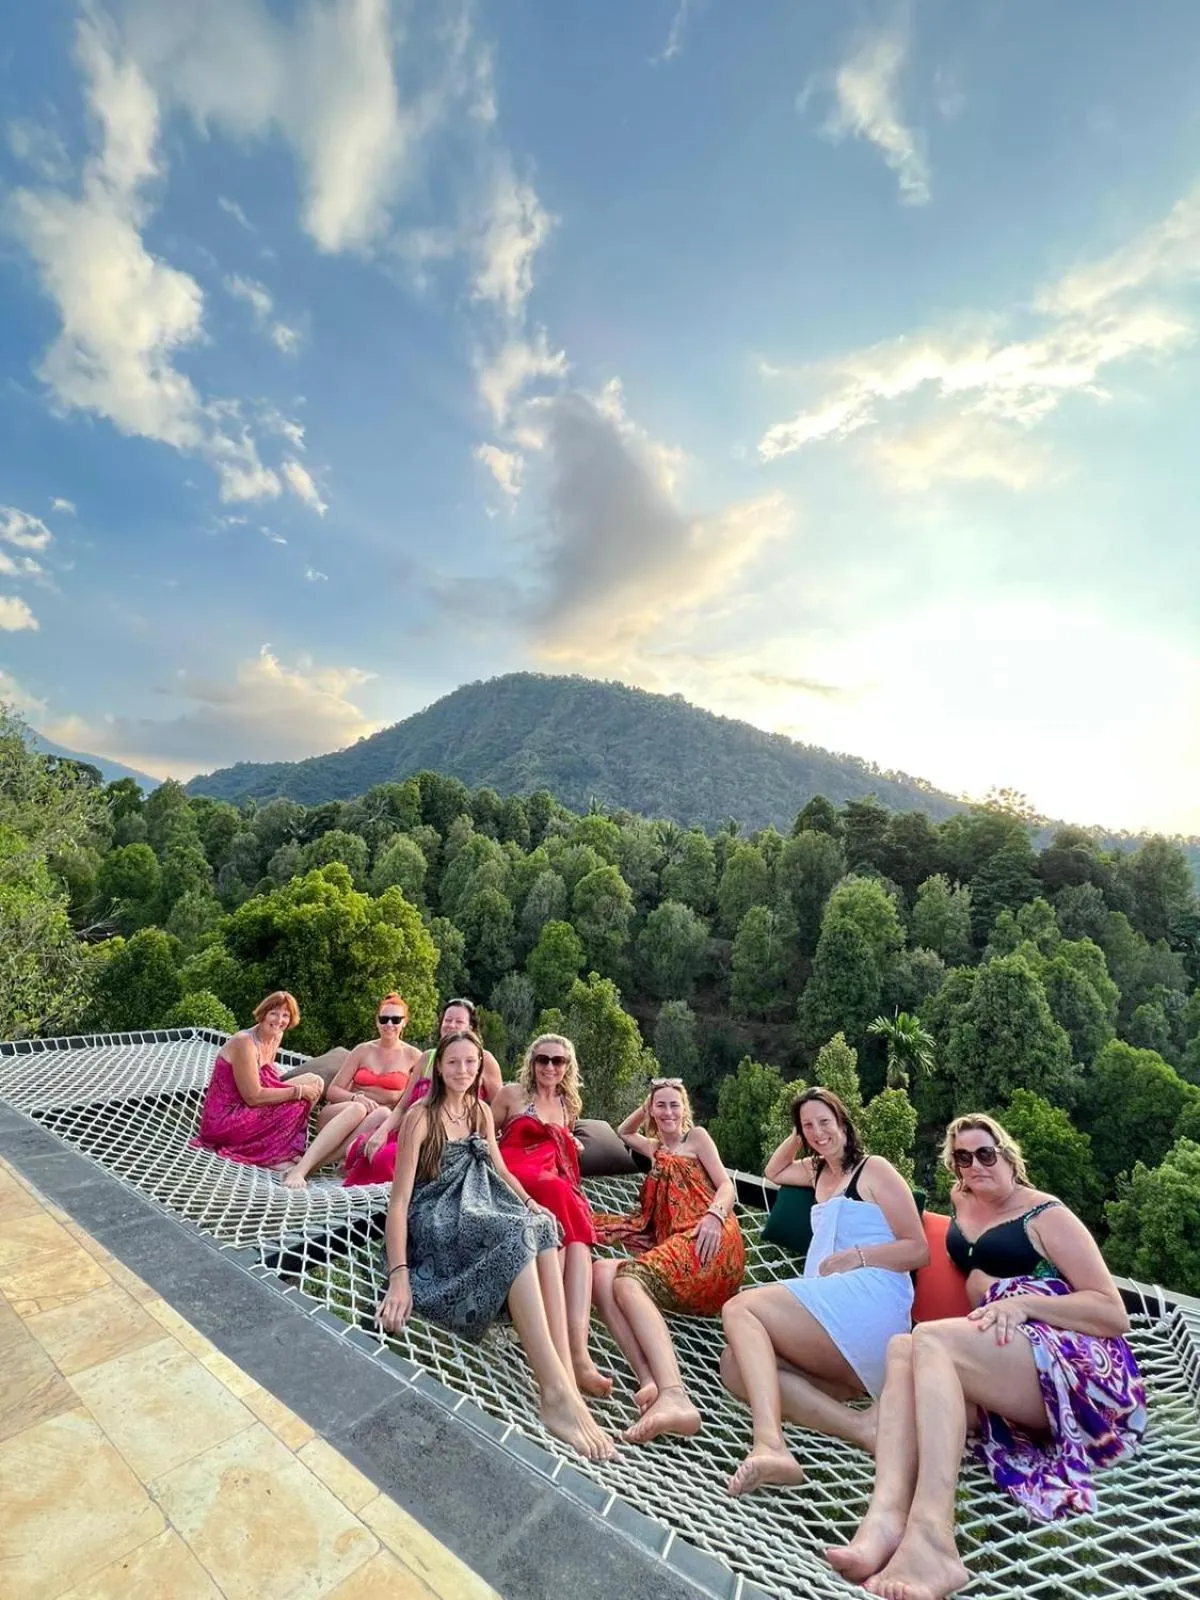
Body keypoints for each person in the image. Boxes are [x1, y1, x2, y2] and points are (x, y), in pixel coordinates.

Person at [828, 1113, 1147, 1600]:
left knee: (928, 1339)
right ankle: (885, 1519)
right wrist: (988, 1289)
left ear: (1007, 1154)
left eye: (984, 1153)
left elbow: (1112, 1311)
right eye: (962, 1156)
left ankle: (933, 1538)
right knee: (901, 1348)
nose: (974, 1165)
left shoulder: (1046, 1215)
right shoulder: (963, 1200)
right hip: (1004, 1350)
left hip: (1071, 1360)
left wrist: (1021, 1302)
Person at [377, 1029, 615, 1463]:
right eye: (453, 1063)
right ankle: (554, 1394)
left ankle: (562, 1377)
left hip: (477, 1200)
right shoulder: (419, 1117)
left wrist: (530, 1204)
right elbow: (399, 1201)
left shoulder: (481, 1110)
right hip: (435, 1213)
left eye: (471, 1062)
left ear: (480, 1064)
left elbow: (501, 1170)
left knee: (540, 1228)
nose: (462, 1071)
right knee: (514, 1237)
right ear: (439, 1067)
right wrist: (399, 1277)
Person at [719, 1088, 928, 1497]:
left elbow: (919, 1249)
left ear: (844, 1122)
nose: (818, 1132)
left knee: (741, 1308)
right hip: (834, 1322)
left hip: (871, 1299)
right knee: (733, 1366)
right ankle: (862, 1428)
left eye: (825, 1122)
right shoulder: (817, 1172)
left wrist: (859, 1257)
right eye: (808, 1126)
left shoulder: (875, 1170)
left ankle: (769, 1443)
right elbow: (774, 1170)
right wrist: (801, 1132)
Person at [592, 1078, 745, 1444]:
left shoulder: (698, 1139)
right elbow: (622, 1132)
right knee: (601, 1274)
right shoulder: (655, 1149)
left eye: (674, 1104)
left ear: (685, 1109)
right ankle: (649, 1379)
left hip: (710, 1240)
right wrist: (648, 1106)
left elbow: (727, 1185)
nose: (668, 1112)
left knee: (628, 1279)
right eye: (660, 1106)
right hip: (675, 1249)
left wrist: (713, 1215)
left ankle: (676, 1396)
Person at [493, 1035, 611, 1399]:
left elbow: (560, 1153)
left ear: (567, 1067)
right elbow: (484, 1135)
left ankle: (576, 1354)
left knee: (577, 1243)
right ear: (532, 1062)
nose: (549, 1067)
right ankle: (563, 1356)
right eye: (542, 1059)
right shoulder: (511, 1095)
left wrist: (569, 1142)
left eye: (557, 1061)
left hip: (552, 1181)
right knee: (570, 1205)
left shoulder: (567, 1105)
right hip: (516, 1173)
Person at [191, 992, 367, 1185]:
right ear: (263, 1013)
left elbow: (268, 1077)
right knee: (301, 1098)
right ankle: (271, 1154)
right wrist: (297, 1091)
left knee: (315, 1082)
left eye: (285, 1015)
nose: (279, 1020)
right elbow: (253, 1097)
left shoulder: (276, 1035)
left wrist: (302, 1090)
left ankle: (283, 1146)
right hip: (227, 1117)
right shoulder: (244, 1043)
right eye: (274, 1013)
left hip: (251, 1105)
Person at [331, 995, 425, 1187]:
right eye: (384, 1019)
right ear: (377, 1021)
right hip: (341, 1118)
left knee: (383, 1114)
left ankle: (334, 1160)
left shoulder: (415, 1057)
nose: (389, 1024)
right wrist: (356, 1097)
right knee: (362, 1110)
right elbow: (332, 1090)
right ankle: (319, 1163)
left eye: (396, 1019)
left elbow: (414, 1099)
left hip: (380, 1126)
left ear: (404, 1023)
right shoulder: (363, 1050)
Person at [397, 998, 504, 1110]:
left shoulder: (485, 1059)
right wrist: (383, 1128)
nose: (451, 1025)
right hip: (416, 1123)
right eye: (448, 1020)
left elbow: (500, 1109)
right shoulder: (427, 1058)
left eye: (459, 1022)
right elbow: (402, 1107)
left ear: (470, 1027)